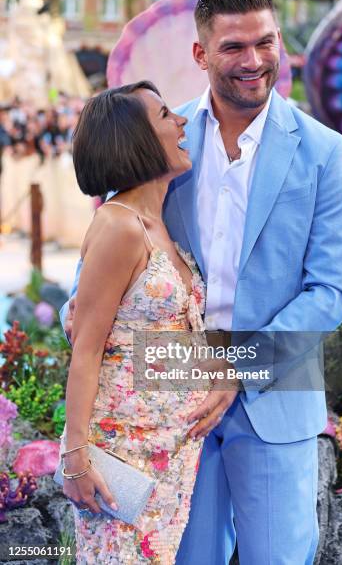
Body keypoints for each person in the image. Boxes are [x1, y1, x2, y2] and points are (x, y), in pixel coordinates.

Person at [62, 0, 342, 564]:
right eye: (233, 47)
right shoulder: (165, 142)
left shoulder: (326, 152)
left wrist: (236, 364)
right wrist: (82, 304)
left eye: (266, 42)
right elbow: (115, 229)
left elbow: (330, 291)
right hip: (166, 411)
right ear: (200, 54)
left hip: (273, 403)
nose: (254, 61)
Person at [59, 80, 236, 564]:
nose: (181, 122)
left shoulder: (160, 225)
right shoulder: (118, 225)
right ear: (133, 140)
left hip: (171, 454)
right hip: (121, 457)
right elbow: (87, 350)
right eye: (164, 117)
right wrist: (75, 457)